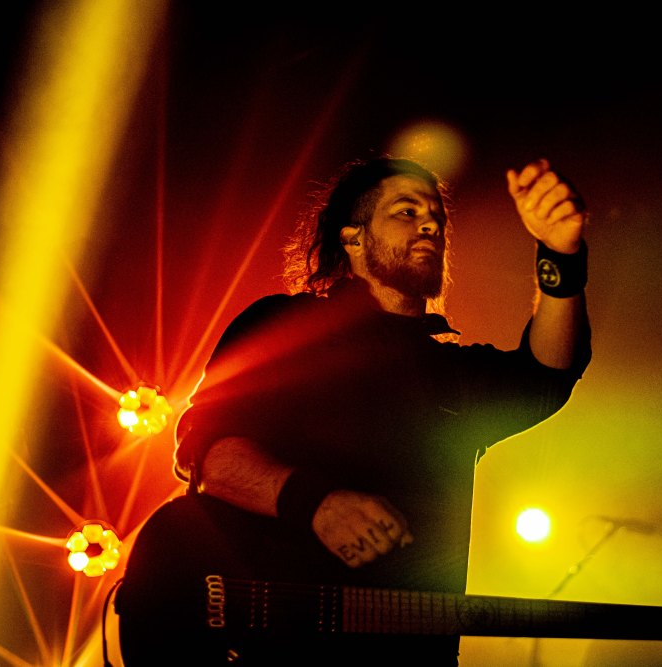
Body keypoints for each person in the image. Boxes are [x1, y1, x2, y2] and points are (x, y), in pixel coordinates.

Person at [122, 155, 591, 666]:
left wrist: (560, 255)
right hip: (265, 647)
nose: (431, 225)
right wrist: (315, 504)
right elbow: (208, 452)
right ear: (353, 238)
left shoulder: (451, 374)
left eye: (436, 217)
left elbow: (547, 376)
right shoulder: (288, 325)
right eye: (407, 212)